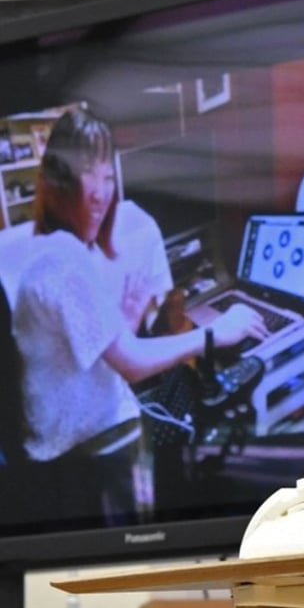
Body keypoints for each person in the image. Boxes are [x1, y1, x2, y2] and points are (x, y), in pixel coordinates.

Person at [11, 106, 267, 525]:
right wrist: (215, 333)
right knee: (201, 388)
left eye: (107, 177)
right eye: (85, 174)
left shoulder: (61, 252)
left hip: (87, 430)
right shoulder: (62, 260)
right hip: (90, 450)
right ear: (58, 183)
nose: (99, 192)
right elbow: (130, 363)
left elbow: (90, 355)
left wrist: (127, 321)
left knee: (187, 385)